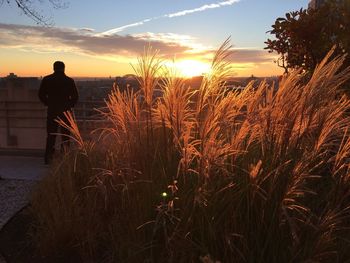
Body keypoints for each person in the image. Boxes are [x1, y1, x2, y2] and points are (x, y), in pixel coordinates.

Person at [38, 61, 79, 164]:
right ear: (64, 68)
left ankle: (48, 159)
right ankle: (64, 159)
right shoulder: (69, 81)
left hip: (52, 111)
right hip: (65, 112)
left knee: (51, 136)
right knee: (65, 137)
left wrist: (48, 103)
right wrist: (69, 105)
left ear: (53, 68)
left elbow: (41, 94)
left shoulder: (47, 79)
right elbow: (75, 97)